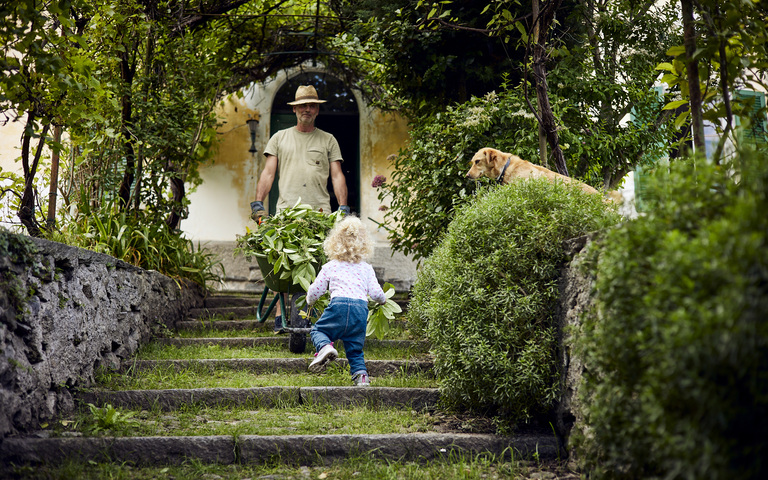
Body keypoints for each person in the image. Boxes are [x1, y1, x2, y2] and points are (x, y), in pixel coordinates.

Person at [250, 84, 351, 333]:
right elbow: (268, 172)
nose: (307, 109)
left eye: (312, 105)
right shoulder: (280, 138)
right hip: (287, 214)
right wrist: (258, 203)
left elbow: (337, 176)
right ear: (295, 110)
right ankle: (278, 315)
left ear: (317, 110)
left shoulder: (328, 140)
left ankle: (312, 313)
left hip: (320, 216)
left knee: (318, 266)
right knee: (281, 264)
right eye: (302, 105)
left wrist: (344, 207)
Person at [305, 215, 386, 386]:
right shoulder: (366, 269)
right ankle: (362, 377)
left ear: (335, 242)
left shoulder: (330, 266)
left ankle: (325, 346)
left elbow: (316, 290)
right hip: (359, 310)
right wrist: (383, 301)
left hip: (339, 306)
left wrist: (310, 300)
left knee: (319, 331)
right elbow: (377, 293)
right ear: (365, 245)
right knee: (355, 350)